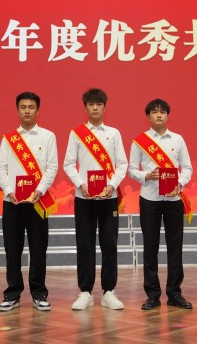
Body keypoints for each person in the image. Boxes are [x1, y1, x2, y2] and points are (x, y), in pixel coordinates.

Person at [63, 88, 128, 311]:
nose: (95, 108)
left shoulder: (114, 133)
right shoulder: (77, 134)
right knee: (85, 243)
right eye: (91, 104)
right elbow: (68, 164)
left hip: (108, 197)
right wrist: (80, 184)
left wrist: (112, 185)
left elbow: (122, 164)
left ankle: (109, 291)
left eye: (99, 104)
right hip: (84, 197)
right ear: (85, 108)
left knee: (109, 243)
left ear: (104, 107)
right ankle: (85, 291)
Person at [0, 91, 58, 312]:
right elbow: (1, 168)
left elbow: (52, 167)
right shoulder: (8, 139)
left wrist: (40, 190)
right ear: (18, 110)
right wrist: (9, 190)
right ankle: (12, 293)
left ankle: (39, 293)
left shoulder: (48, 136)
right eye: (23, 107)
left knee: (39, 249)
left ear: (37, 110)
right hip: (12, 201)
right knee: (12, 249)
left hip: (38, 202)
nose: (27, 111)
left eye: (31, 107)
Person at [128, 99, 193, 311]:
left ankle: (174, 293)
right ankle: (152, 295)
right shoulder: (140, 141)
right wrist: (146, 175)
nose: (158, 115)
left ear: (167, 115)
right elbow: (131, 169)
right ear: (148, 116)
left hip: (173, 199)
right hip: (150, 198)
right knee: (150, 247)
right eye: (154, 112)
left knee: (175, 247)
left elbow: (187, 168)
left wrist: (179, 184)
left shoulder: (178, 139)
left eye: (162, 112)